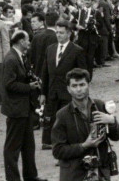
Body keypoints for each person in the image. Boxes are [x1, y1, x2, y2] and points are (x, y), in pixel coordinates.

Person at [50, 69, 119, 181]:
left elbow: (117, 136)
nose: (79, 89)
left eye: (82, 84)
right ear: (68, 89)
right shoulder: (62, 115)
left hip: (100, 172)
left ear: (88, 85)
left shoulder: (100, 106)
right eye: (74, 86)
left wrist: (112, 121)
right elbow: (57, 151)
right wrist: (84, 145)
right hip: (75, 174)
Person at [1, 29, 43, 181]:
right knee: (12, 147)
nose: (29, 43)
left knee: (28, 145)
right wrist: (29, 87)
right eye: (27, 40)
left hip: (23, 108)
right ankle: (13, 178)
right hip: (16, 109)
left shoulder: (19, 56)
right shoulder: (11, 59)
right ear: (21, 42)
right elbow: (9, 84)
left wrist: (32, 80)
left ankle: (31, 175)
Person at [43, 20, 85, 150]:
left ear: (68, 33)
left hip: (68, 93)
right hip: (52, 92)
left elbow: (83, 74)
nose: (58, 35)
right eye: (57, 32)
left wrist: (79, 91)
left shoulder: (77, 50)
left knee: (67, 121)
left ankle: (66, 149)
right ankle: (53, 144)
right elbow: (45, 73)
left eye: (61, 33)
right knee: (52, 120)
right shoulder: (50, 49)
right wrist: (43, 93)